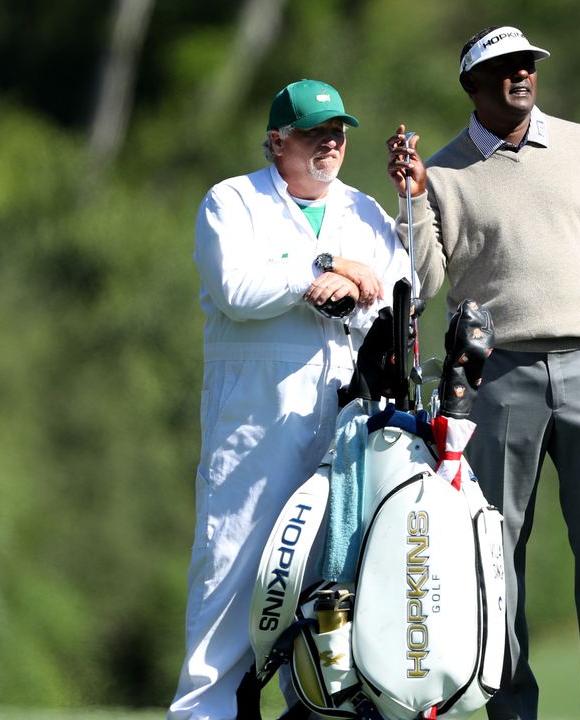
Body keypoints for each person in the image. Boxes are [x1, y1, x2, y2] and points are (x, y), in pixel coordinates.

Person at [385, 26, 580, 720]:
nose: (521, 75)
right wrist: (415, 199)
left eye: (528, 65)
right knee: (494, 561)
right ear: (473, 87)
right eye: (504, 68)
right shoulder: (446, 170)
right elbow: (423, 284)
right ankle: (511, 712)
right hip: (498, 375)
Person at [169, 78, 410, 720]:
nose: (330, 143)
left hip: (344, 417)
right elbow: (237, 289)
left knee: (341, 582)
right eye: (313, 133)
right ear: (278, 140)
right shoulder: (232, 201)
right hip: (256, 423)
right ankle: (206, 712)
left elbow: (399, 294)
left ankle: (316, 711)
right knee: (233, 576)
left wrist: (363, 284)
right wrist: (321, 270)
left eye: (337, 133)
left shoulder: (365, 210)